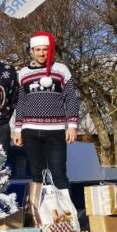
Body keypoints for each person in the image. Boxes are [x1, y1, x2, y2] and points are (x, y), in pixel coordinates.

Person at [12, 31, 79, 194]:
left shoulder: (61, 70)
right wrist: (18, 129)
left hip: (55, 131)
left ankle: (67, 215)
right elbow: (20, 101)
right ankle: (40, 215)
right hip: (30, 131)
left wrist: (72, 125)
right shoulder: (23, 73)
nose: (42, 53)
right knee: (36, 176)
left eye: (45, 49)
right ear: (32, 51)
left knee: (59, 175)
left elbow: (71, 97)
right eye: (38, 50)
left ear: (50, 50)